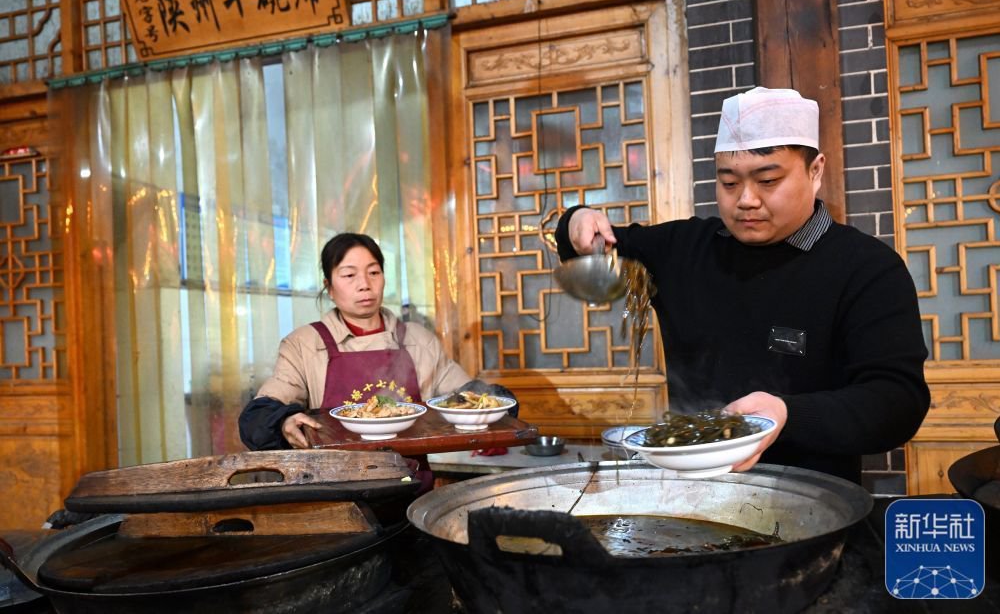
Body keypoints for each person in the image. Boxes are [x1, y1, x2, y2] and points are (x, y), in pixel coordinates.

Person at [555, 86, 930, 484]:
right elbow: (593, 244)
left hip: (812, 500)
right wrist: (578, 219)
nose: (746, 200)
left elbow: (898, 402)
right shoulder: (684, 249)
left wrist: (788, 414)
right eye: (729, 183)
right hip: (688, 498)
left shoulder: (866, 268)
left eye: (768, 180)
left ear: (815, 171)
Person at [239, 232, 515, 463]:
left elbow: (466, 397)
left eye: (374, 272)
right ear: (329, 287)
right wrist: (283, 421)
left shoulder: (417, 339)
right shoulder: (304, 344)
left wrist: (490, 408)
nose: (364, 285)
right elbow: (261, 414)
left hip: (412, 487)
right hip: (336, 496)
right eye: (349, 275)